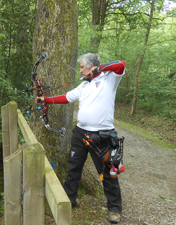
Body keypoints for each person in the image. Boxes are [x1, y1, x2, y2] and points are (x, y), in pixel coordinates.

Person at [35, 53, 126, 223]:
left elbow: (121, 64)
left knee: (108, 172)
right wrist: (45, 99)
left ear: (92, 66)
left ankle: (114, 208)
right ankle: (69, 200)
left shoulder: (109, 80)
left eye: (83, 66)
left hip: (102, 136)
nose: (81, 70)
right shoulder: (83, 85)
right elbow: (66, 97)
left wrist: (101, 68)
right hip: (80, 133)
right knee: (74, 167)